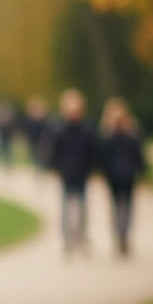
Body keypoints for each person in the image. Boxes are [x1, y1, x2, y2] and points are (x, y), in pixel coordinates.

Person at [49, 88, 99, 255]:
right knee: (65, 208)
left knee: (83, 207)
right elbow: (53, 151)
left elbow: (93, 150)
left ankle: (82, 237)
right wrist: (56, 168)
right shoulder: (59, 129)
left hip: (82, 173)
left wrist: (92, 169)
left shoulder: (86, 128)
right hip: (67, 173)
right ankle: (67, 239)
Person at [98, 97, 146, 255]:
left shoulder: (130, 134)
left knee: (124, 207)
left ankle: (123, 234)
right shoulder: (109, 136)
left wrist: (143, 171)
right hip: (115, 176)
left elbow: (138, 154)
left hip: (126, 175)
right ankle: (121, 234)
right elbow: (103, 157)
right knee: (120, 206)